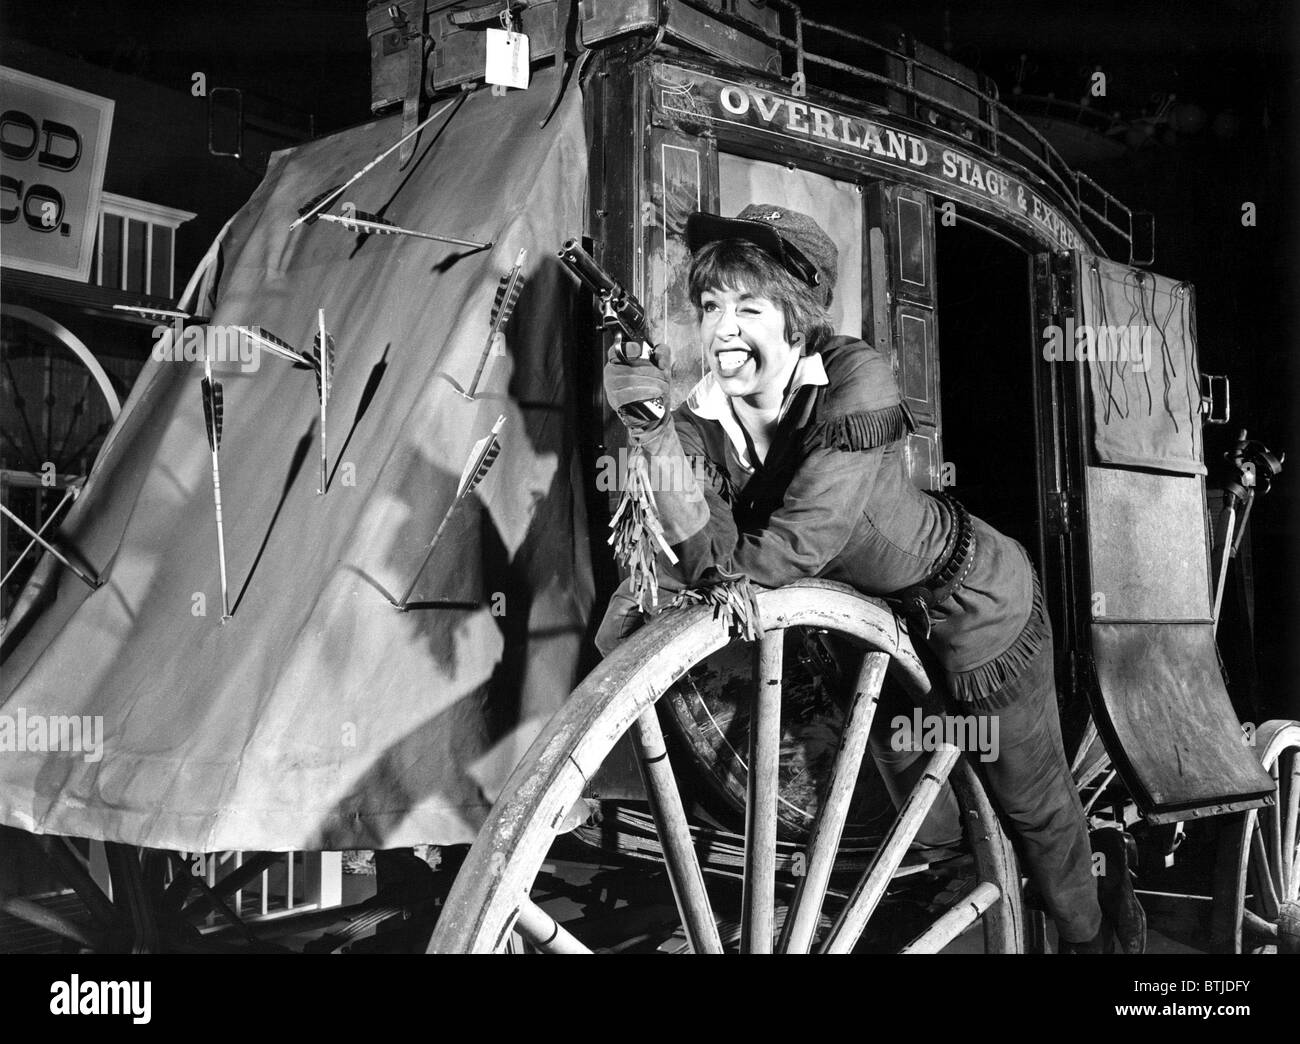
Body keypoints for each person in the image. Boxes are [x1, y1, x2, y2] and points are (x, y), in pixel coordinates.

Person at [595, 202, 1144, 954]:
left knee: (1032, 800)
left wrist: (715, 561)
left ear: (795, 316)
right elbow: (708, 557)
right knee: (911, 771)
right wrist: (653, 427)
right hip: (875, 634)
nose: (722, 327)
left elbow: (796, 546)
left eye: (747, 307)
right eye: (711, 304)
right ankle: (978, 890)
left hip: (975, 606)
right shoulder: (703, 418)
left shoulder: (855, 375)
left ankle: (1095, 941)